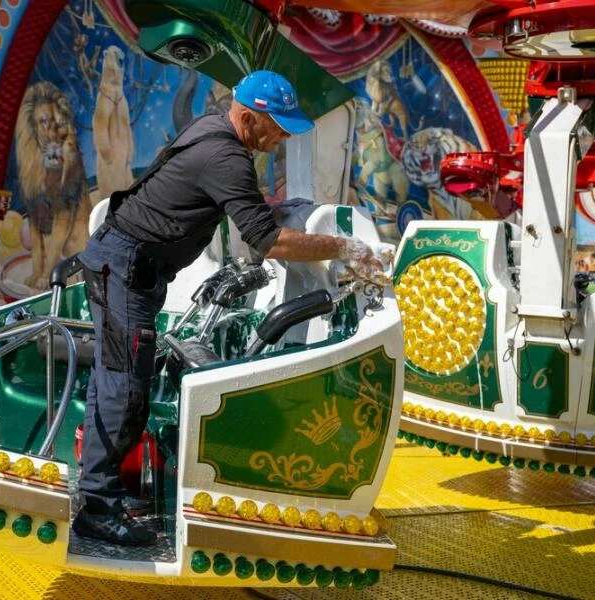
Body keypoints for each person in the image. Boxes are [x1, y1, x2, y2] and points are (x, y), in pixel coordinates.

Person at [74, 70, 388, 546]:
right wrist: (343, 247)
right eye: (277, 126)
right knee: (125, 388)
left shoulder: (214, 128)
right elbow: (267, 240)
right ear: (248, 116)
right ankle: (98, 508)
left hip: (124, 264)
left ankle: (103, 491)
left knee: (115, 378)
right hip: (124, 270)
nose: (281, 137)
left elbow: (239, 206)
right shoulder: (226, 155)